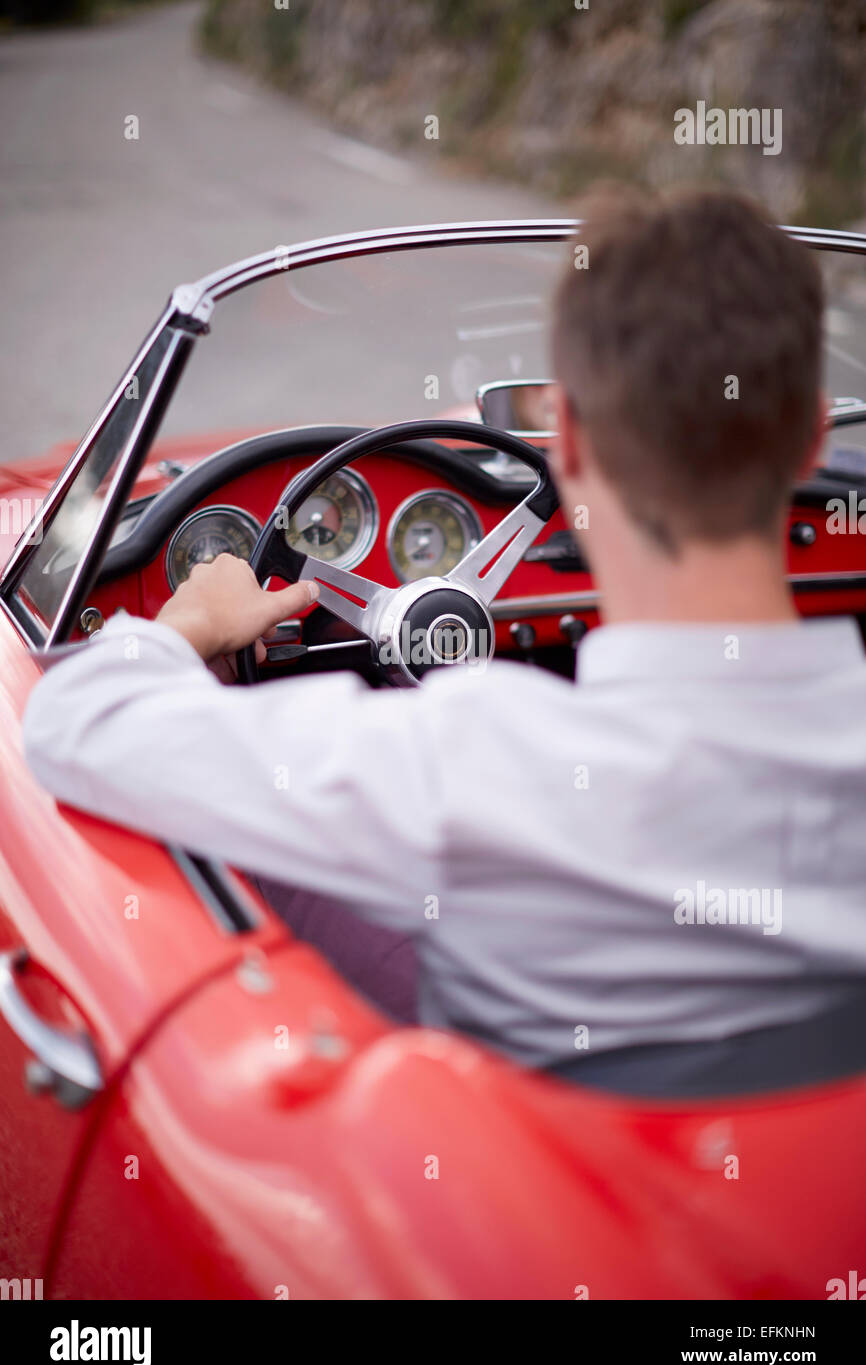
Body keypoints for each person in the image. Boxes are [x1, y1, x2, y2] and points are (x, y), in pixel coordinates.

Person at [23, 187, 866, 1096]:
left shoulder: (471, 765)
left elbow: (76, 717)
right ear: (815, 440)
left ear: (566, 441)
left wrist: (189, 625)